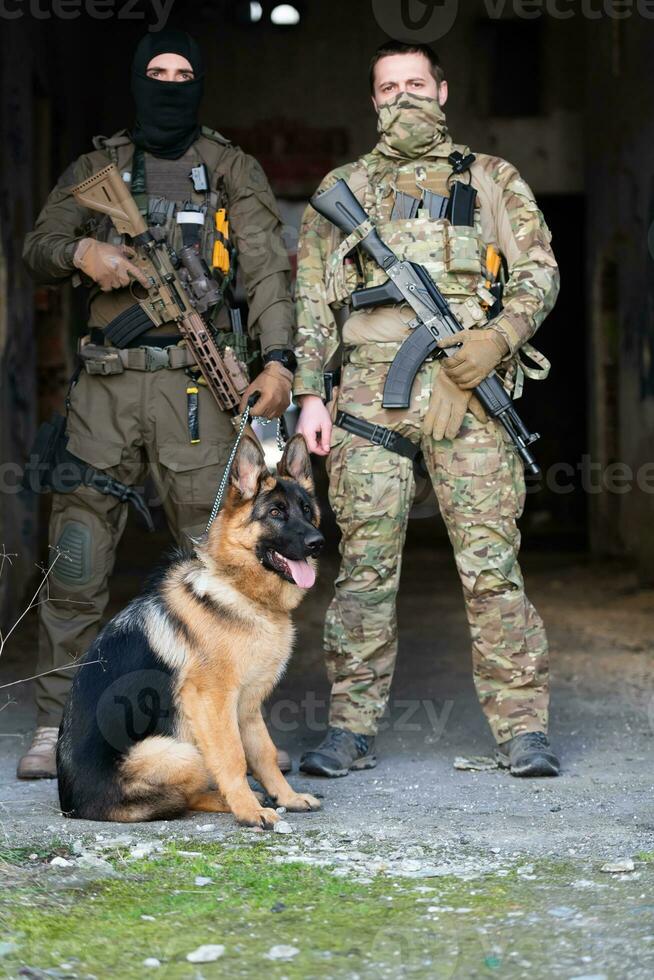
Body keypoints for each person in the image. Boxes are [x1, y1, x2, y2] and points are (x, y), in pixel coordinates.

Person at [19, 29, 297, 779]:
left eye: (183, 74)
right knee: (76, 560)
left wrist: (278, 362)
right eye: (156, 73)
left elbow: (269, 270)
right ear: (136, 81)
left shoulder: (230, 167)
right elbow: (39, 243)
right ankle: (55, 725)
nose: (169, 85)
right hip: (105, 392)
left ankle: (217, 726)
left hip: (197, 394)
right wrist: (84, 254)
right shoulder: (95, 165)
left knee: (218, 572)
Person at [294, 40, 561, 779]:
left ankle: (522, 727)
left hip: (468, 384)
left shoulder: (494, 179)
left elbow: (541, 272)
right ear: (372, 99)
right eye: (389, 87)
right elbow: (313, 298)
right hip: (368, 397)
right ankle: (349, 726)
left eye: (417, 84)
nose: (404, 97)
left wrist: (496, 338)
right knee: (366, 570)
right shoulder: (341, 188)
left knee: (490, 565)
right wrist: (311, 392)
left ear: (443, 92)